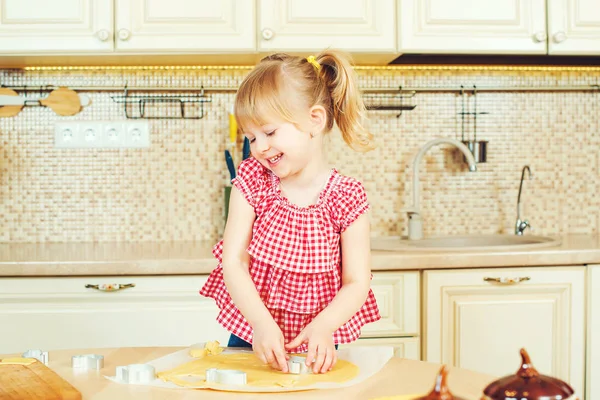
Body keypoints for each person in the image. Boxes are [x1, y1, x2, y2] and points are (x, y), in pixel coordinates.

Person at [200, 50, 380, 375]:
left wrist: (325, 326)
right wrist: (260, 323)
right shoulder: (252, 179)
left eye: (269, 132)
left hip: (316, 340)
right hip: (251, 333)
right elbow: (233, 261)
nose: (259, 147)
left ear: (315, 120)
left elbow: (356, 281)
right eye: (251, 137)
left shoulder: (348, 197)